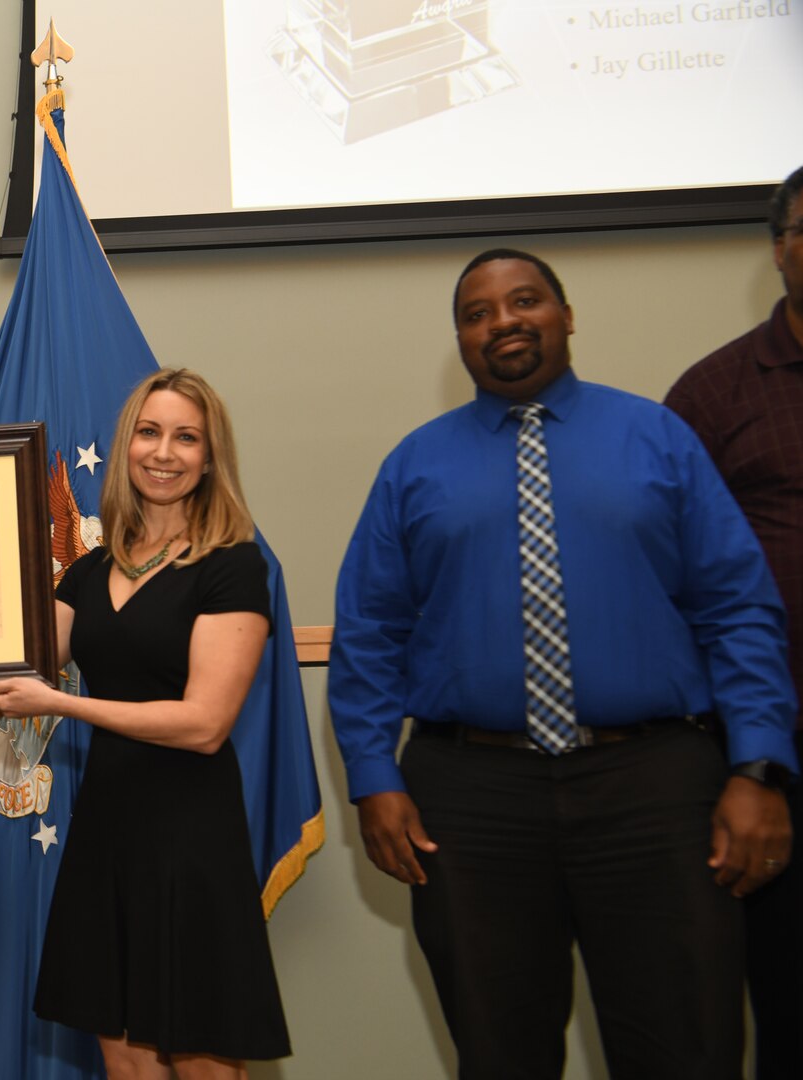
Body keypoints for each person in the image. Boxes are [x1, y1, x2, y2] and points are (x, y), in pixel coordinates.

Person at [328, 248, 798, 1080]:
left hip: (655, 787)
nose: (502, 321)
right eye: (476, 314)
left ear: (567, 314)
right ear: (461, 341)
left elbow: (738, 609)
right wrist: (373, 776)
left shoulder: (659, 438)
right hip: (470, 802)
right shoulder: (414, 465)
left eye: (525, 300)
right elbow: (369, 632)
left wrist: (759, 765)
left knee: (686, 1046)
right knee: (500, 1050)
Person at [0, 368, 290, 1079]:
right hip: (107, 826)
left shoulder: (232, 565)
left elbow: (204, 724)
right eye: (149, 431)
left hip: (193, 835)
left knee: (201, 1053)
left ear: (210, 457)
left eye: (186, 437)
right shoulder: (91, 570)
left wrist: (63, 704)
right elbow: (8, 677)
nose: (163, 452)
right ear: (124, 444)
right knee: (124, 1054)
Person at [665, 165, 803, 1080]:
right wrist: (747, 762)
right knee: (787, 1005)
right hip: (777, 760)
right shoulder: (714, 396)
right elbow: (672, 589)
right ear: (781, 247)